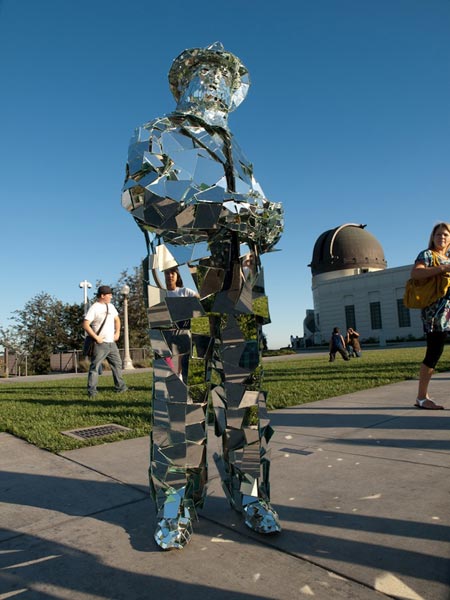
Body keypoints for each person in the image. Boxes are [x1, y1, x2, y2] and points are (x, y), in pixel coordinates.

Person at [122, 42, 283, 549]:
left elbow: (251, 213)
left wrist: (267, 225)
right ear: (182, 83)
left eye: (223, 76)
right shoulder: (157, 132)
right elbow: (140, 200)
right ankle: (176, 503)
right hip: (178, 279)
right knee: (178, 396)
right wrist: (222, 212)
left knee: (245, 395)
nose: (212, 80)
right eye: (202, 72)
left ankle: (251, 493)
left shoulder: (239, 152)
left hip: (240, 283)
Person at [410, 222, 450, 409]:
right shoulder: (427, 255)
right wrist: (443, 268)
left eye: (445, 235)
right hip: (436, 314)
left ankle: (422, 397)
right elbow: (416, 273)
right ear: (433, 237)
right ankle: (421, 398)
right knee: (434, 353)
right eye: (438, 234)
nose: (442, 237)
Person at [83, 285, 128, 398]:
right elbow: (85, 324)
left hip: (111, 343)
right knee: (95, 367)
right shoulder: (95, 307)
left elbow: (117, 320)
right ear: (102, 295)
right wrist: (96, 337)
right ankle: (92, 392)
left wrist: (117, 333)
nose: (111, 296)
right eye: (109, 294)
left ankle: (120, 387)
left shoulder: (111, 306)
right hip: (100, 344)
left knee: (117, 365)